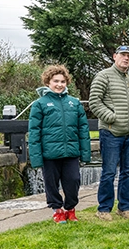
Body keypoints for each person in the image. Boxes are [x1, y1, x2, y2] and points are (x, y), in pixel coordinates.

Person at [29, 65, 91, 223]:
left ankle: (70, 208)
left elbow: (83, 130)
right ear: (48, 82)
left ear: (66, 83)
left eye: (62, 81)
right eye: (55, 81)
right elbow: (34, 132)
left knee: (73, 181)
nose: (59, 84)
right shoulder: (40, 104)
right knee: (51, 184)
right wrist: (36, 158)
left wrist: (85, 154)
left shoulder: (74, 104)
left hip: (71, 152)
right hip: (49, 153)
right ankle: (57, 210)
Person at [89, 45, 129, 221]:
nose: (126, 58)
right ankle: (103, 209)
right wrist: (111, 117)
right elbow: (94, 102)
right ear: (114, 56)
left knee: (128, 171)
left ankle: (124, 208)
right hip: (111, 132)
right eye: (123, 55)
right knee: (109, 172)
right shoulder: (103, 76)